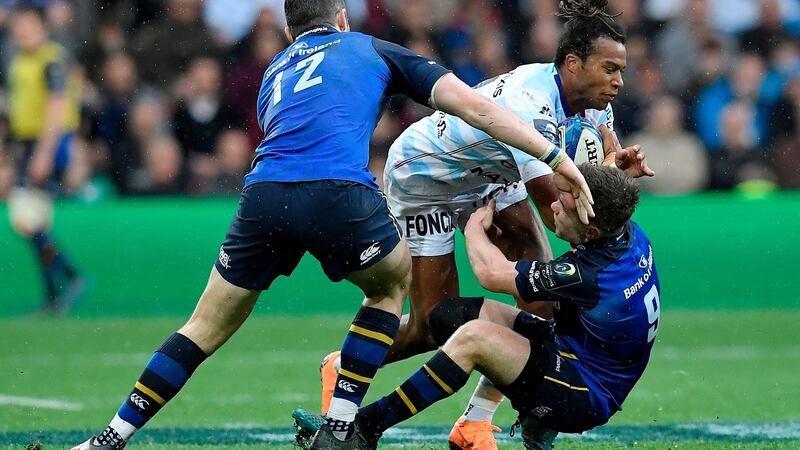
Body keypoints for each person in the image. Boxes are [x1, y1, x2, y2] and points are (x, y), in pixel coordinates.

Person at [71, 0, 595, 449]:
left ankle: (110, 436)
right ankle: (342, 424)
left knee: (202, 328)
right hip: (339, 193)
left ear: (288, 32)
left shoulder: (275, 69)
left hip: (262, 197)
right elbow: (478, 109)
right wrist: (554, 154)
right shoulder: (370, 47)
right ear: (342, 19)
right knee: (390, 286)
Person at [314, 1, 653, 447]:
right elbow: (560, 212)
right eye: (610, 68)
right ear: (573, 64)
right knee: (429, 326)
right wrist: (606, 202)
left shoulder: (594, 104)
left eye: (621, 69)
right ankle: (345, 367)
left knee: (543, 299)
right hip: (426, 177)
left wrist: (615, 166)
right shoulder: (530, 103)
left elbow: (595, 175)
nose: (619, 81)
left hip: (493, 175)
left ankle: (475, 422)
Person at [296, 163, 660, 450]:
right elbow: (605, 197)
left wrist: (473, 228)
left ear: (590, 229)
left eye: (561, 203)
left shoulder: (587, 274)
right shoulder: (623, 229)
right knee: (450, 316)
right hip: (573, 352)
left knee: (474, 338)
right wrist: (615, 168)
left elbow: (490, 272)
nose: (552, 206)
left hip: (584, 392)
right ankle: (485, 423)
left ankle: (364, 428)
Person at [4, 4, 85, 314]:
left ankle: (68, 279)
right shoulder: (19, 61)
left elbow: (56, 107)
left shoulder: (52, 59)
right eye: (18, 26)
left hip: (49, 143)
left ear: (42, 27)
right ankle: (59, 288)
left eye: (29, 25)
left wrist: (44, 154)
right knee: (32, 221)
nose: (23, 32)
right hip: (28, 143)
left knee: (27, 217)